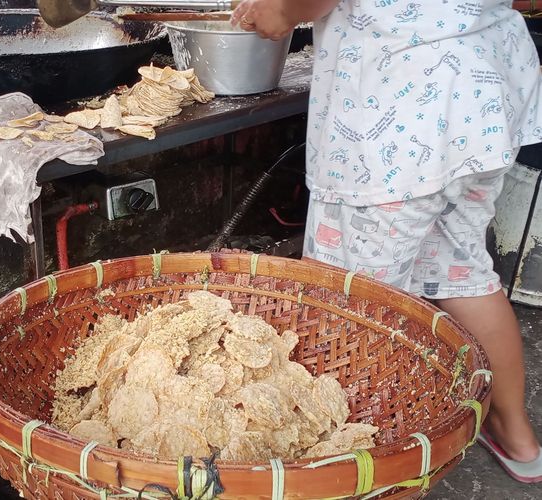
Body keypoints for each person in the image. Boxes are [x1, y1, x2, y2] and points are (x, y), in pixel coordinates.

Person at [232, 0, 542, 483]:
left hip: (400, 114)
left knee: (351, 299)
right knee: (460, 271)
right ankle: (515, 435)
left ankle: (353, 467)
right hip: (480, 94)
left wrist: (282, 10)